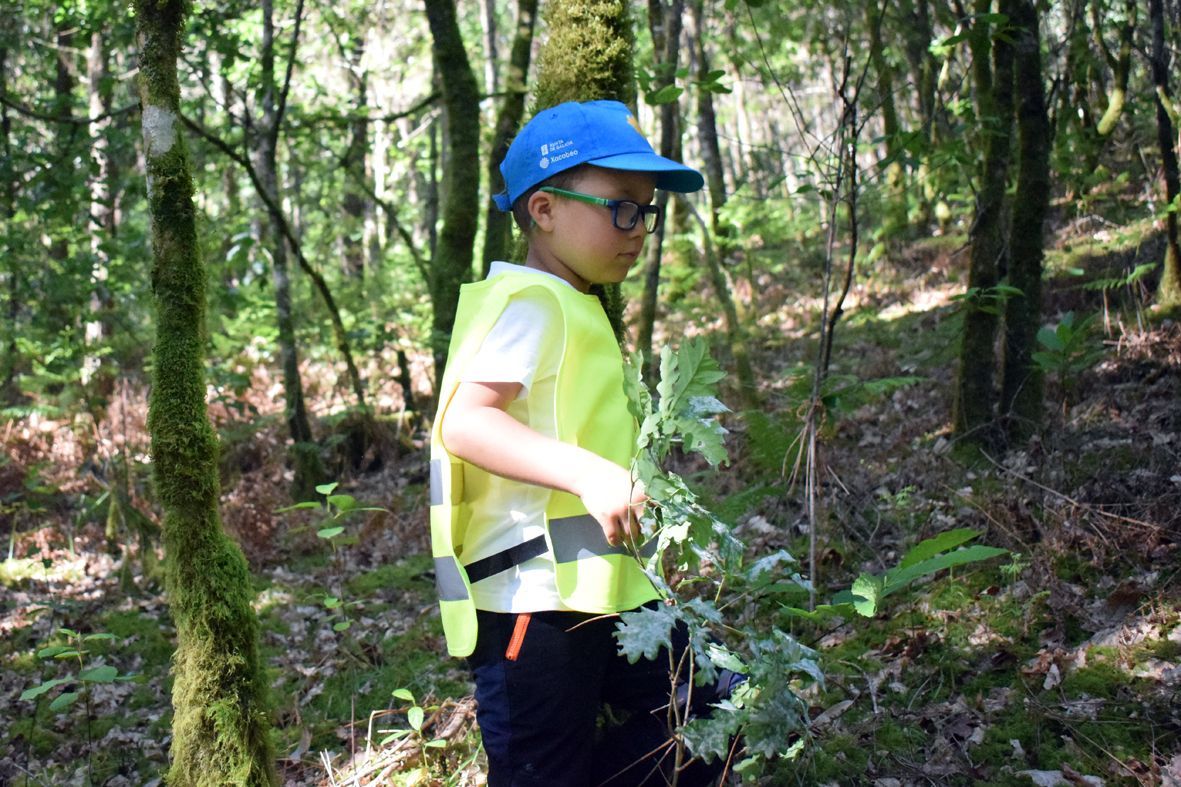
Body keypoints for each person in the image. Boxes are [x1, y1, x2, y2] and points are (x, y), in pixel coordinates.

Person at [428, 100, 724, 786]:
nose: (638, 229)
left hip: (602, 593)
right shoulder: (530, 302)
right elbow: (466, 422)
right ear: (543, 210)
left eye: (647, 211)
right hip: (533, 607)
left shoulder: (568, 302)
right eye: (620, 206)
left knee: (716, 710)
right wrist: (587, 472)